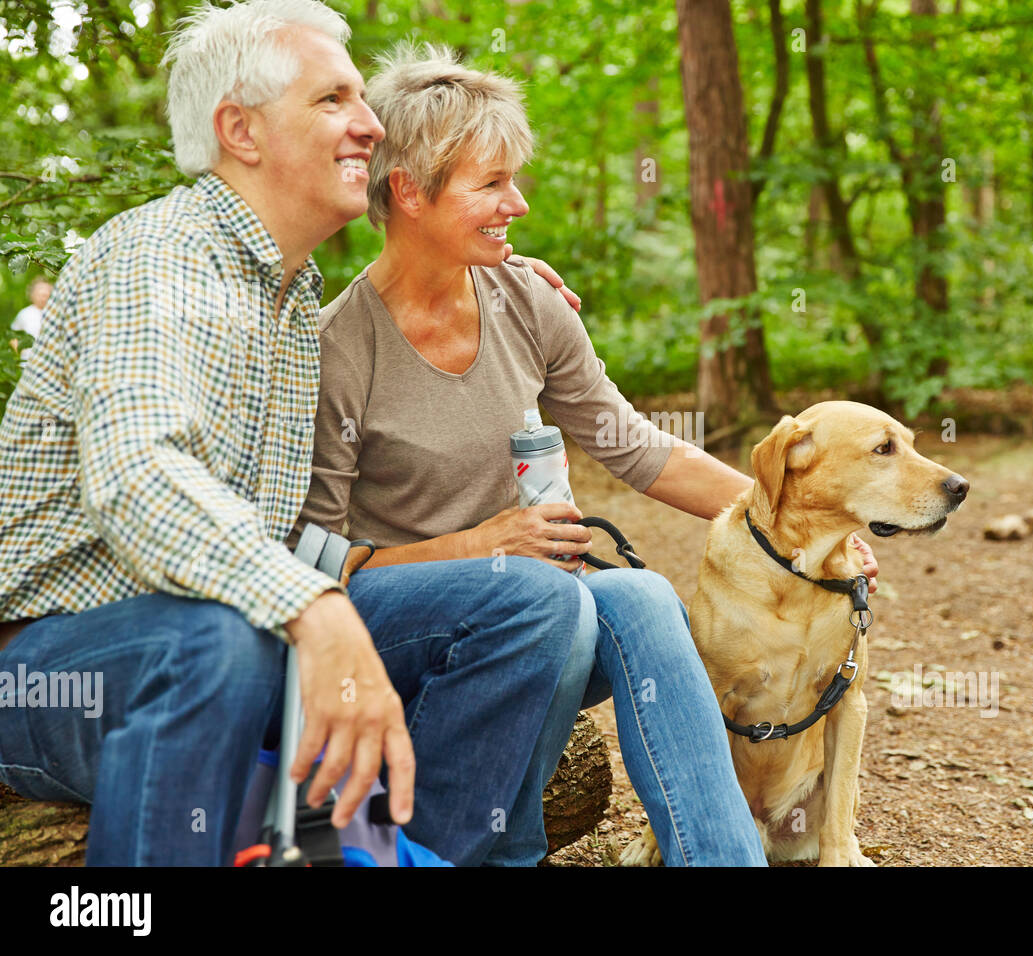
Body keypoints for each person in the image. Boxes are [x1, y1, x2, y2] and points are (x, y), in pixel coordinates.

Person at [0, 0, 590, 867]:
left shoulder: (293, 299)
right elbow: (137, 472)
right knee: (213, 641)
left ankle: (424, 854)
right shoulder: (162, 258)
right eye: (333, 101)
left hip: (245, 633)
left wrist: (498, 270)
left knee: (526, 599)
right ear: (240, 130)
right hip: (62, 666)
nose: (371, 124)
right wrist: (313, 608)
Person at [294, 44, 880, 866]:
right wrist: (480, 548)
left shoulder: (528, 299)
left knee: (639, 596)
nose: (518, 204)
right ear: (409, 192)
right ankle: (487, 851)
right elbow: (314, 567)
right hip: (396, 631)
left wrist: (797, 523)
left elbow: (633, 447)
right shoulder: (335, 350)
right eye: (491, 184)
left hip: (542, 619)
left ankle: (718, 858)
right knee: (548, 599)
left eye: (514, 180)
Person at [12, 277, 51, 342]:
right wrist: (19, 351)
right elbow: (13, 336)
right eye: (41, 295)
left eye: (46, 295)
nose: (43, 298)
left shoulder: (55, 312)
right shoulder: (24, 313)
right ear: (32, 295)